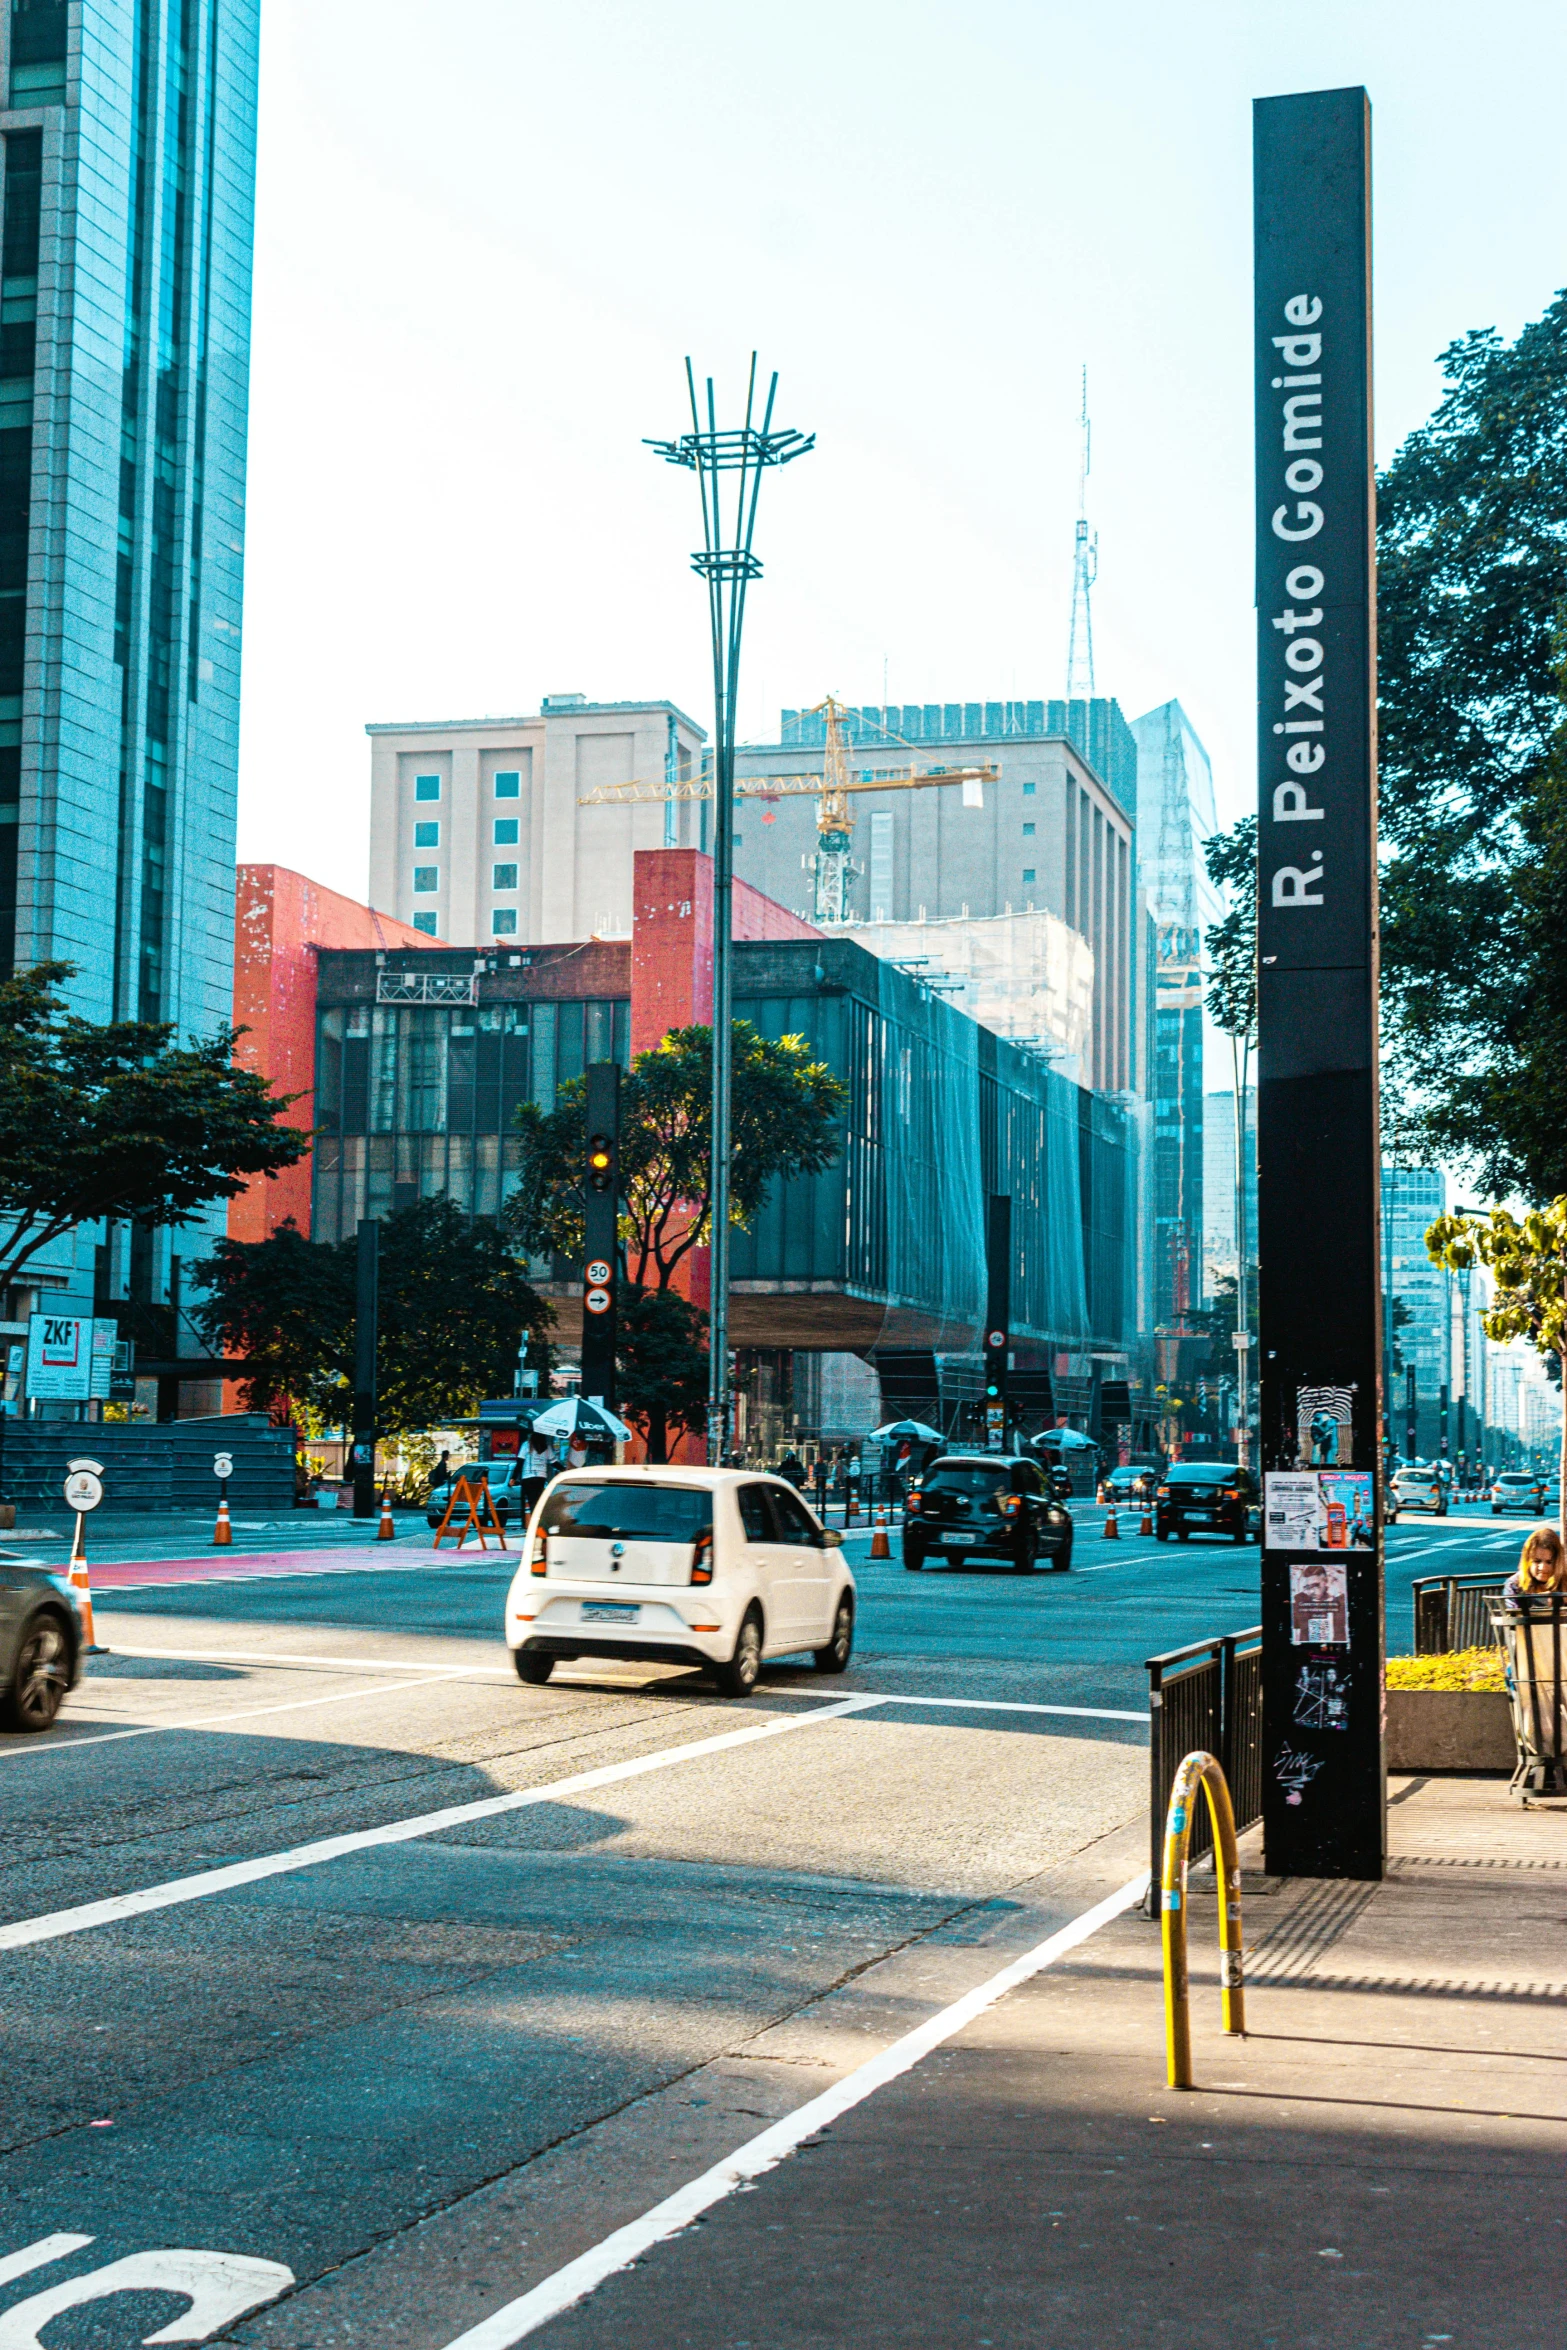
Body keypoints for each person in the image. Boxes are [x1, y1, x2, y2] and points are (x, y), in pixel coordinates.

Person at [1502, 1524, 1567, 1611]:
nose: (1543, 1568)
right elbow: (1514, 1619)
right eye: (1537, 1561)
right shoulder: (1514, 1585)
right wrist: (1540, 1600)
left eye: (1549, 1562)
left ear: (1557, 1562)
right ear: (1527, 1560)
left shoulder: (1564, 1581)